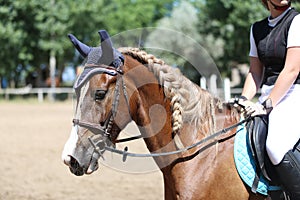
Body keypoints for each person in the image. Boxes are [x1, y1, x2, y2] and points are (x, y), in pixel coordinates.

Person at [234, 0, 300, 199]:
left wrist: (267, 104)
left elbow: (292, 69)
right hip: (268, 95)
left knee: (275, 146)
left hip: (294, 92)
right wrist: (244, 99)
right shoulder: (257, 29)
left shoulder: (296, 21)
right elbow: (255, 72)